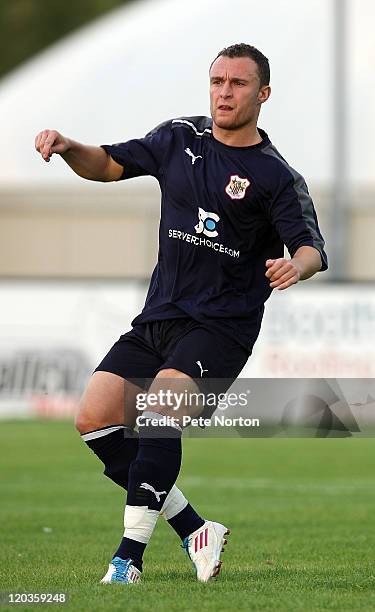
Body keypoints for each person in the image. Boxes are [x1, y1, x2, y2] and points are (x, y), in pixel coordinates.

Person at [34, 43, 328, 584]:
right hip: (159, 316)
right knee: (93, 419)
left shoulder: (275, 175)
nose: (224, 92)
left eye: (238, 84)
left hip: (221, 327)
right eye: (218, 81)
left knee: (158, 409)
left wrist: (297, 267)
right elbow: (107, 164)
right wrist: (71, 145)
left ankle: (127, 560)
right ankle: (196, 528)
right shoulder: (179, 139)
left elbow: (311, 246)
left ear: (262, 94)